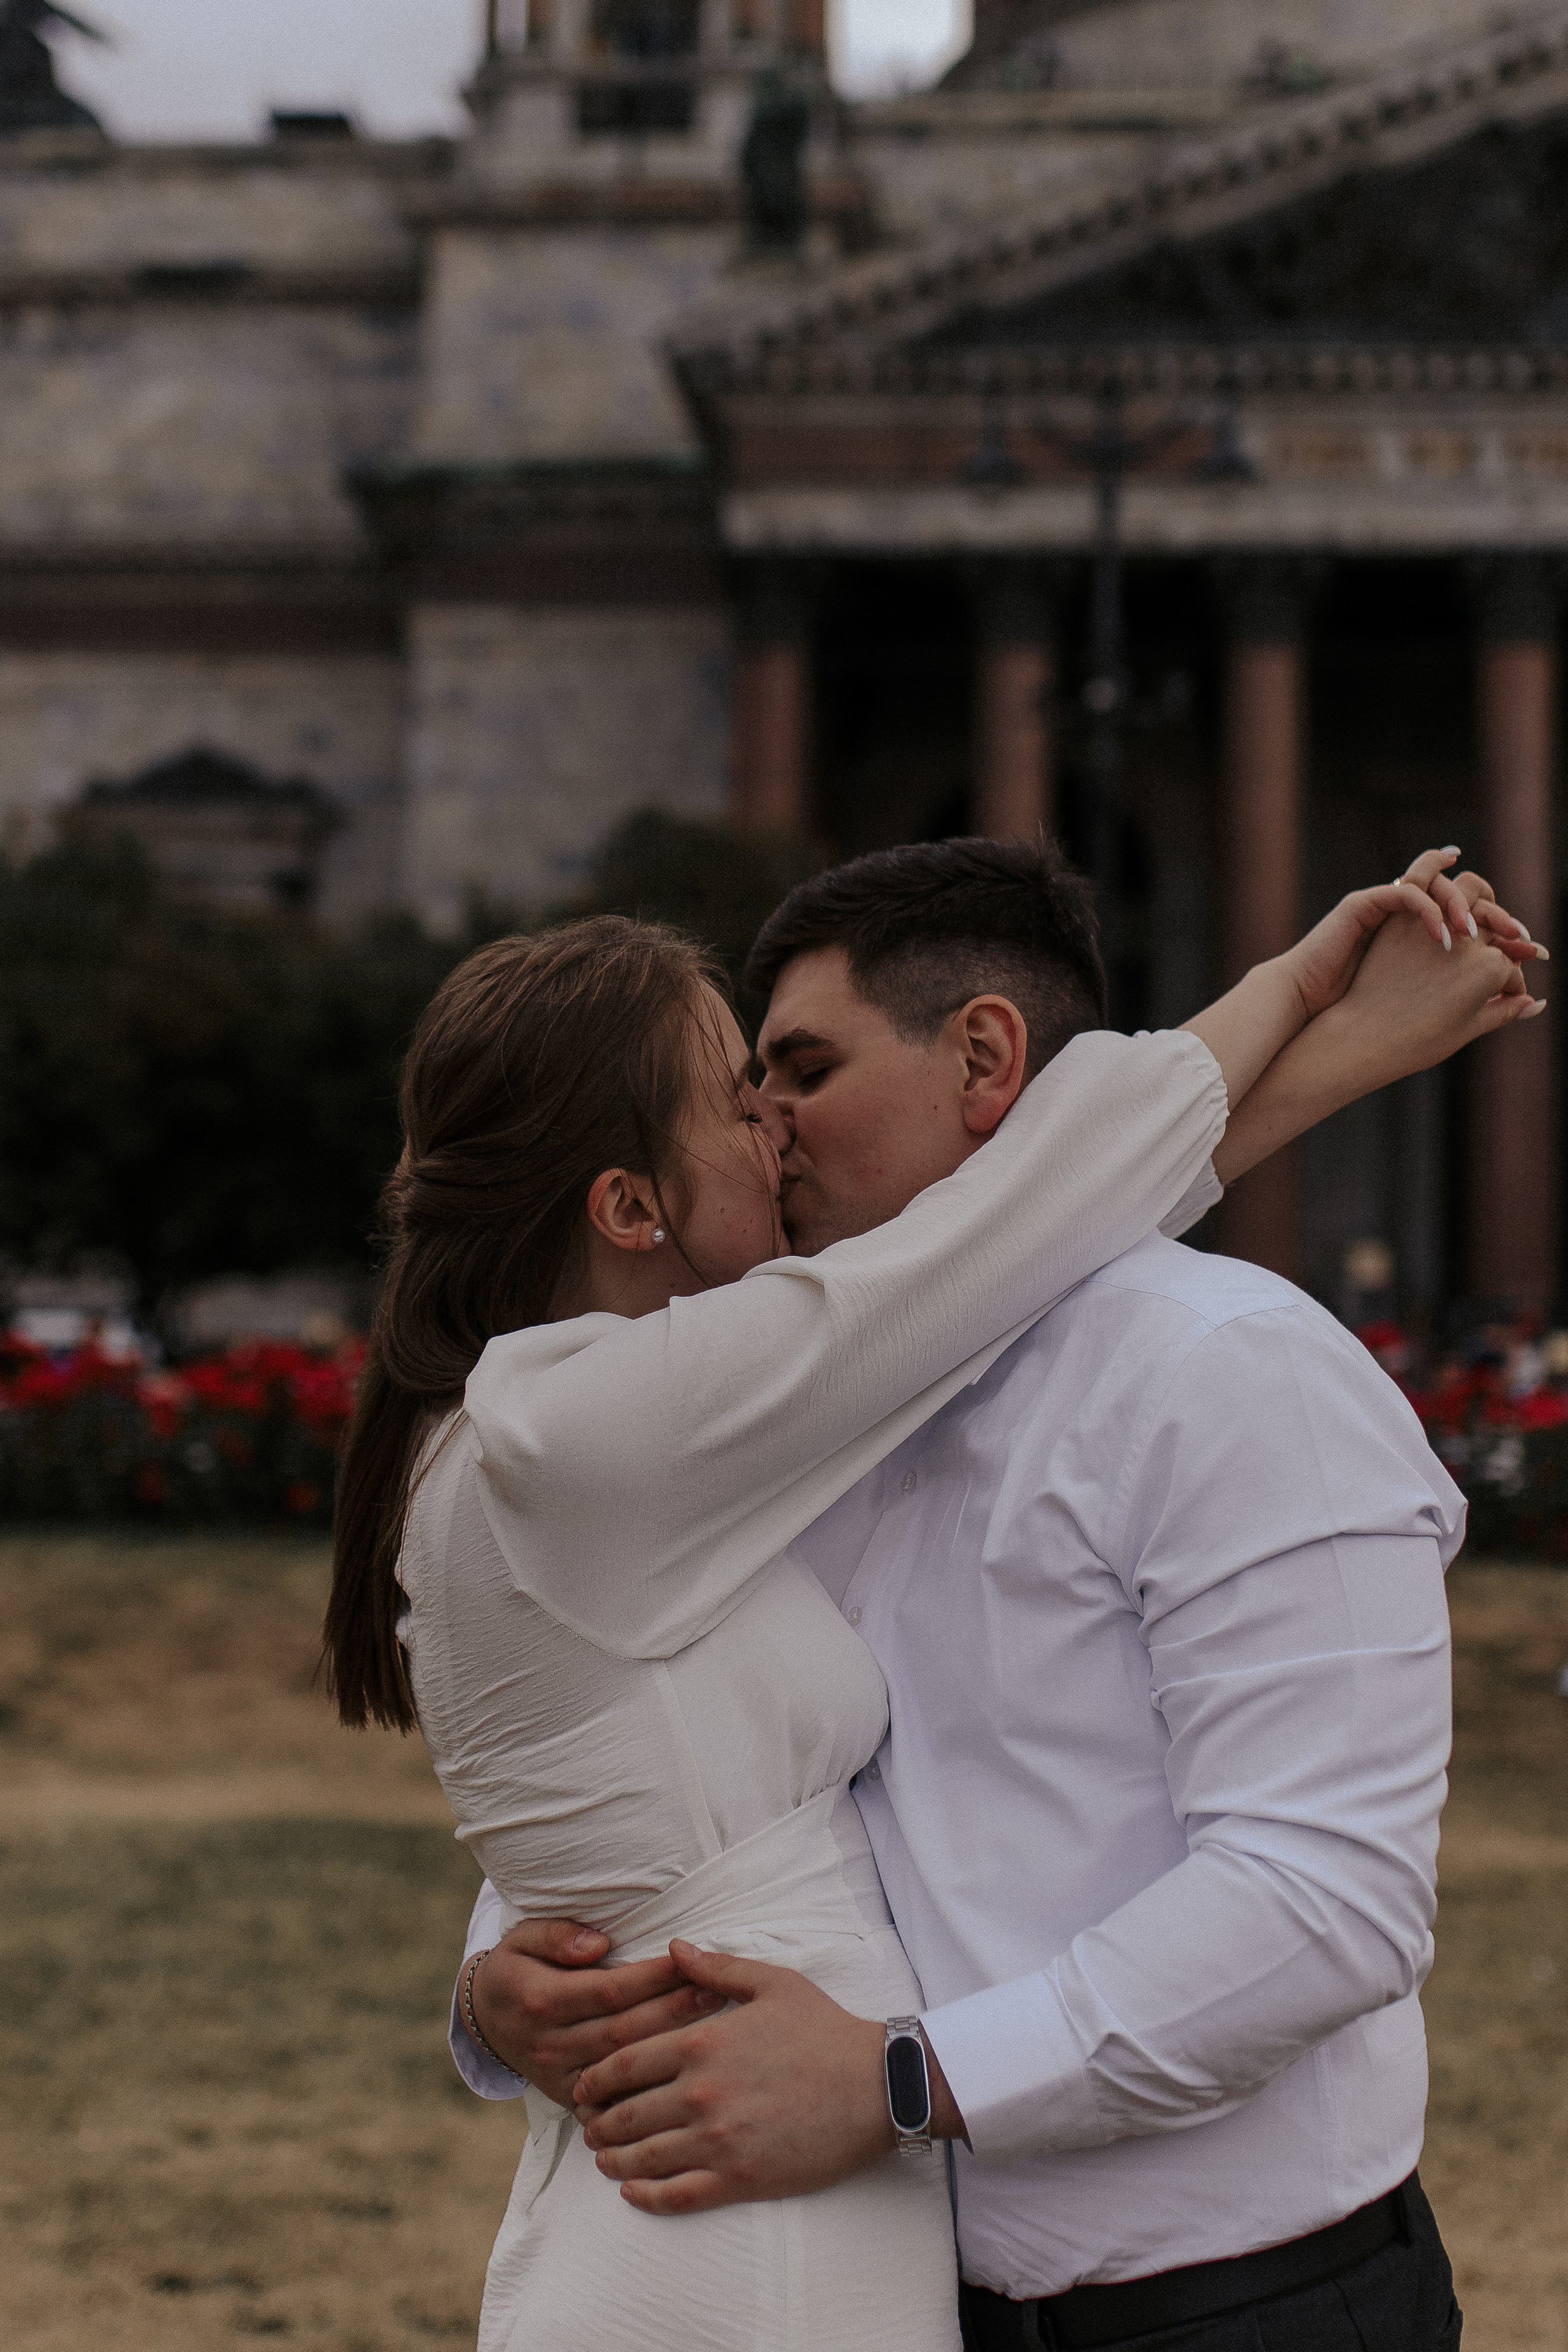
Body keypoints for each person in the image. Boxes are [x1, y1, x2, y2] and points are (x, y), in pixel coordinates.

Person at [445, 844, 1540, 2352]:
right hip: (894, 2302)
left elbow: (1320, 1901)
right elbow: (681, 1746)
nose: (764, 1124)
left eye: (803, 1067)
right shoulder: (787, 1418)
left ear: (982, 1055)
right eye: (743, 1087)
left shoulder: (1224, 1373)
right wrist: (506, 1976)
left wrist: (899, 2081)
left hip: (1233, 2316)